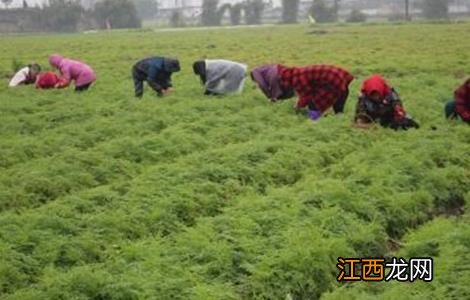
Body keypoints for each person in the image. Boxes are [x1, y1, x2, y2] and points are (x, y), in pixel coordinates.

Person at [279, 64, 354, 121]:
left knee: (314, 104)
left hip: (332, 79)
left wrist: (298, 107)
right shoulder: (299, 72)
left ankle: (313, 121)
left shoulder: (297, 79)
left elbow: (306, 95)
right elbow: (312, 89)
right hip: (340, 75)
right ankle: (340, 119)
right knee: (338, 98)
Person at [354, 74, 419, 130]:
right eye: (373, 95)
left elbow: (398, 108)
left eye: (377, 94)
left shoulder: (390, 94)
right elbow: (360, 113)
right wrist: (361, 122)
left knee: (405, 122)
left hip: (388, 117)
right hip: (372, 119)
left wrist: (399, 113)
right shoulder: (363, 97)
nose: (376, 97)